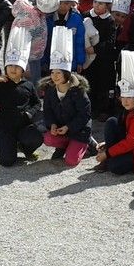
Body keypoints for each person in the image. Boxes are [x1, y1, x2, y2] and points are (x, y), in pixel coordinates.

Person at [0, 27, 43, 167]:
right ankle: (7, 146)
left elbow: (37, 103)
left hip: (23, 126)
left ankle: (25, 148)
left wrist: (29, 113)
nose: (13, 69)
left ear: (23, 69)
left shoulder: (28, 85)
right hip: (4, 127)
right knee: (7, 161)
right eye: (10, 66)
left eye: (17, 66)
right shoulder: (0, 84)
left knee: (36, 137)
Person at [41, 27, 93, 167]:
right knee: (48, 138)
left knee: (71, 161)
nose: (55, 76)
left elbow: (85, 114)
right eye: (52, 73)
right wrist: (52, 124)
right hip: (60, 129)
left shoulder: (78, 90)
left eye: (58, 73)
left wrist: (69, 127)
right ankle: (65, 145)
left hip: (78, 130)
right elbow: (47, 110)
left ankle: (88, 144)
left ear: (66, 74)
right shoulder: (50, 89)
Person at [81, 0, 121, 119]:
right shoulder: (86, 16)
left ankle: (103, 108)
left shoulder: (110, 21)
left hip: (103, 59)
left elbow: (110, 41)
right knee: (90, 82)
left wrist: (95, 49)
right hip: (89, 58)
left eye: (101, 3)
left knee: (103, 83)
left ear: (107, 5)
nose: (97, 6)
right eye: (96, 2)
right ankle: (89, 107)